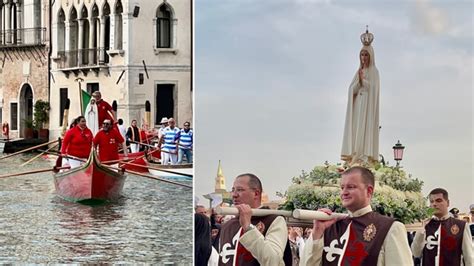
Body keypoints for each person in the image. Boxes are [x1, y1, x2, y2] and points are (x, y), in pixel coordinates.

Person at [300, 166, 413, 265]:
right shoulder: (330, 226)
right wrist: (317, 232)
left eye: (351, 187)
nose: (344, 192)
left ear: (369, 191)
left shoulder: (389, 228)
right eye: (342, 187)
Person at [218, 173, 291, 266]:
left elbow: (273, 261)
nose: (234, 195)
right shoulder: (228, 225)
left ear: (256, 193)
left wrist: (248, 228)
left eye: (240, 190)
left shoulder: (274, 221)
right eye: (233, 190)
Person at [341, 28, 380, 166]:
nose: (364, 58)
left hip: (367, 106)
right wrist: (358, 83)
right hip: (358, 104)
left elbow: (373, 89)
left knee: (364, 131)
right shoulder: (359, 71)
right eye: (362, 55)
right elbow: (352, 89)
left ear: (371, 56)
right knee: (356, 129)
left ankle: (363, 157)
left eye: (366, 55)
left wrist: (363, 80)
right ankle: (354, 156)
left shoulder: (374, 72)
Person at [411, 188, 473, 265]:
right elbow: (416, 253)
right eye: (431, 201)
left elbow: (469, 257)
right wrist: (421, 230)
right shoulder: (426, 226)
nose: (434, 204)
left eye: (438, 200)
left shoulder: (461, 226)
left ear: (447, 203)